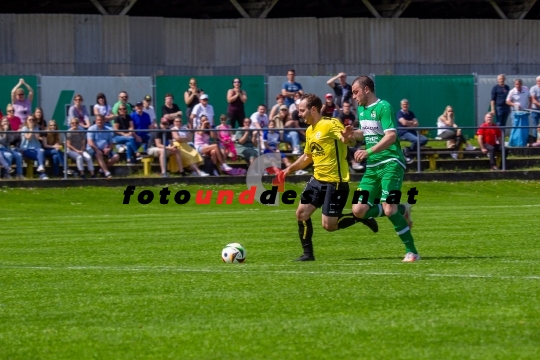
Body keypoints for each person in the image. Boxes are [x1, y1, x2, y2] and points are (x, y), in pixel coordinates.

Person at [277, 93, 378, 261]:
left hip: (335, 183)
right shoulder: (310, 130)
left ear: (314, 109)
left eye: (302, 110)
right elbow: (307, 157)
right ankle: (308, 255)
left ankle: (361, 217)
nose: (299, 114)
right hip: (317, 180)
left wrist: (348, 138)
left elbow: (348, 140)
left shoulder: (330, 124)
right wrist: (289, 170)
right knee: (301, 213)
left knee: (329, 226)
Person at [341, 76, 419, 263]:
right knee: (358, 210)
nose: (353, 96)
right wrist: (350, 136)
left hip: (391, 163)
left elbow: (391, 136)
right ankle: (403, 209)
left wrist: (368, 151)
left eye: (356, 92)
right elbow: (365, 134)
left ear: (367, 89)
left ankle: (412, 251)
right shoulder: (361, 109)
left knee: (389, 210)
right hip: (373, 167)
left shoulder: (384, 107)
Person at [87, 114, 120, 179]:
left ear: (104, 121)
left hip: (105, 149)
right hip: (93, 149)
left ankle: (102, 169)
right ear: (96, 121)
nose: (99, 121)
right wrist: (97, 150)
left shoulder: (108, 130)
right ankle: (106, 172)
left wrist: (109, 149)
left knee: (116, 157)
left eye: (101, 120)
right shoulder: (91, 129)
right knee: (98, 155)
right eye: (98, 120)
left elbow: (111, 142)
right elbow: (90, 142)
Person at [397, 99, 428, 164]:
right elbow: (404, 123)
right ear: (401, 105)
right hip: (404, 132)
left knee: (424, 139)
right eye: (403, 104)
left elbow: (417, 123)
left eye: (406, 104)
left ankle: (407, 150)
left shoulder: (411, 113)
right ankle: (408, 154)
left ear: (408, 105)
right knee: (416, 140)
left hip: (412, 132)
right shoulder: (399, 113)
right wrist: (412, 122)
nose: (405, 105)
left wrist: (409, 124)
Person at [20, 116, 48, 180]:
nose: (31, 121)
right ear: (27, 121)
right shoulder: (24, 128)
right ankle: (42, 175)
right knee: (41, 156)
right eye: (30, 120)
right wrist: (31, 129)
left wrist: (33, 128)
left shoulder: (36, 128)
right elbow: (28, 138)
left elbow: (37, 138)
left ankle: (41, 168)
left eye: (33, 120)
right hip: (26, 149)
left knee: (41, 151)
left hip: (36, 148)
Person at [529, 76, 540, 142]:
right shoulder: (533, 88)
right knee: (535, 126)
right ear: (536, 82)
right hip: (535, 110)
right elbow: (533, 100)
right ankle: (536, 140)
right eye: (538, 81)